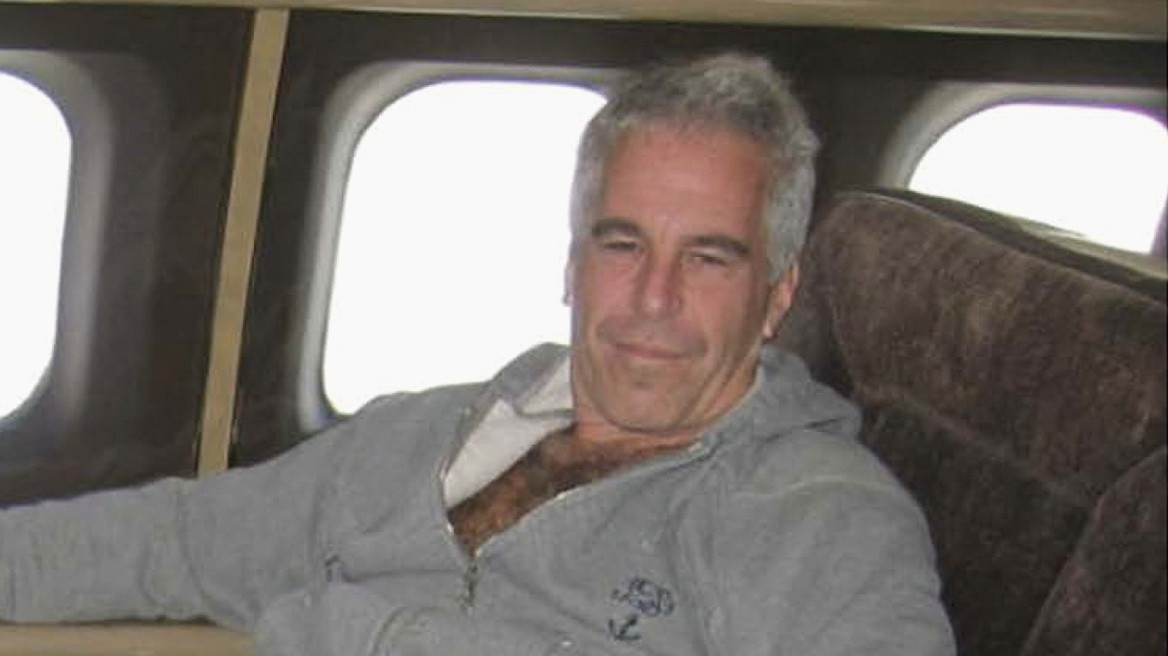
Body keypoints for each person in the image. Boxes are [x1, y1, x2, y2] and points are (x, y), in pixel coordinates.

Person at [0, 53, 955, 655]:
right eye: (622, 244)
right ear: (573, 265)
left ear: (777, 294)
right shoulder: (420, 436)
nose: (653, 299)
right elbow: (175, 542)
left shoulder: (822, 520)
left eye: (708, 258)